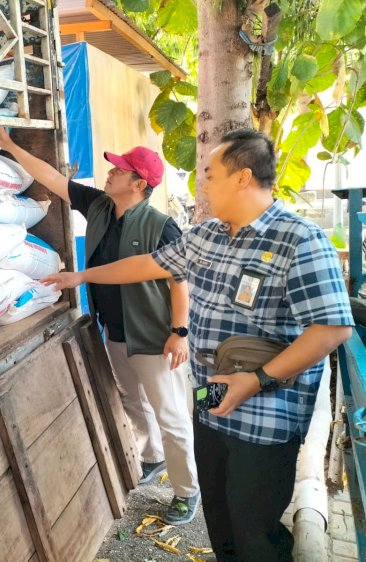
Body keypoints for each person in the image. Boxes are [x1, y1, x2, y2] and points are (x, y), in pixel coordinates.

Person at [42, 128, 354, 561]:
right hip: (211, 402)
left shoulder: (299, 239)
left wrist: (258, 379)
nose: (201, 183)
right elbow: (146, 264)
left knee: (256, 533)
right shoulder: (207, 236)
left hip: (264, 418)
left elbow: (332, 328)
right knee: (221, 524)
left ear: (242, 178)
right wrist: (83, 276)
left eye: (210, 174)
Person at [0, 126, 201, 525]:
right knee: (133, 401)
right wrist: (10, 146)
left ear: (139, 183)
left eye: (120, 170)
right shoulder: (101, 205)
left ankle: (186, 491)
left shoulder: (162, 226)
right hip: (116, 331)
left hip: (155, 338)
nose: (110, 173)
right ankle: (153, 457)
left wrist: (179, 332)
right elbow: (52, 179)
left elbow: (180, 281)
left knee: (171, 415)